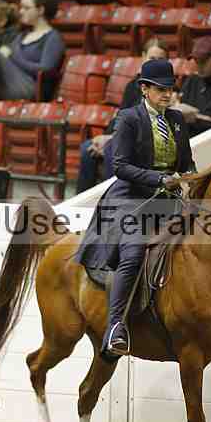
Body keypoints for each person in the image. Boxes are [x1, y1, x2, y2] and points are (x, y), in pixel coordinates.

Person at [75, 57, 194, 360]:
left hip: (168, 200)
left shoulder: (177, 120)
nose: (166, 94)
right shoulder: (129, 118)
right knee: (134, 253)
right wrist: (160, 178)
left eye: (169, 89)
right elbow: (120, 166)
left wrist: (192, 178)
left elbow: (186, 162)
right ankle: (116, 326)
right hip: (132, 199)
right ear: (144, 89)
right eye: (160, 89)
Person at [75, 37, 167, 194]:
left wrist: (110, 139)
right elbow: (122, 116)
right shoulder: (133, 85)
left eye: (160, 60)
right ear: (143, 57)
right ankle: (83, 201)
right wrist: (106, 137)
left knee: (113, 150)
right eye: (152, 59)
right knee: (87, 148)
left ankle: (114, 199)